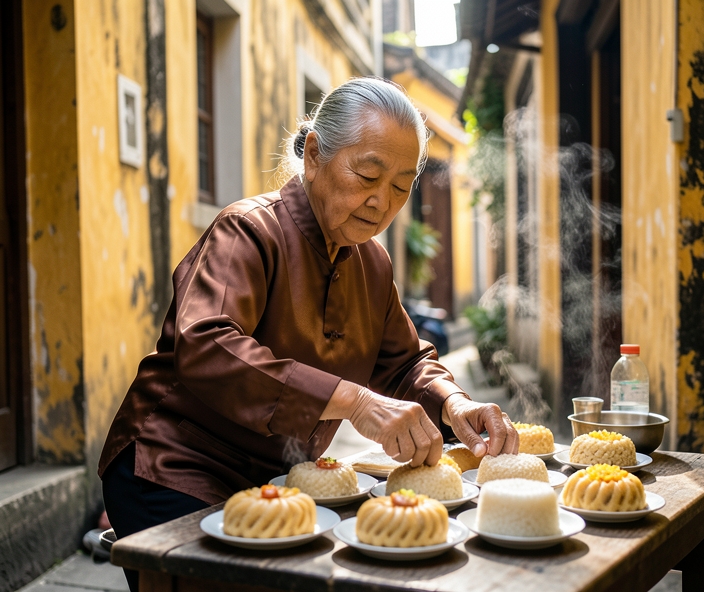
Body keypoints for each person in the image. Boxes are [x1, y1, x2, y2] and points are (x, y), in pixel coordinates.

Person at [99, 77, 518, 590]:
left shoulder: (373, 262)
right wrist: (356, 402)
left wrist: (454, 403)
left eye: (401, 186)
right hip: (174, 462)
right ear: (315, 154)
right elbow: (207, 343)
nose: (381, 202)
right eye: (367, 175)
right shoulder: (248, 230)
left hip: (279, 477)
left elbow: (405, 363)